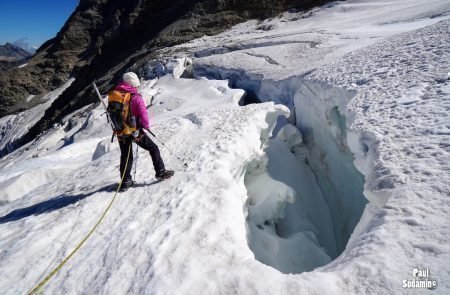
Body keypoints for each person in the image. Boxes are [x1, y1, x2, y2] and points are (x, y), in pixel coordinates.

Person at [113, 72, 173, 191]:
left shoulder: (115, 95)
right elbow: (143, 114)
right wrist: (145, 126)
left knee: (126, 155)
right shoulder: (135, 97)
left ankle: (125, 181)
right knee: (153, 148)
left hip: (120, 132)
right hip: (135, 131)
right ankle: (160, 172)